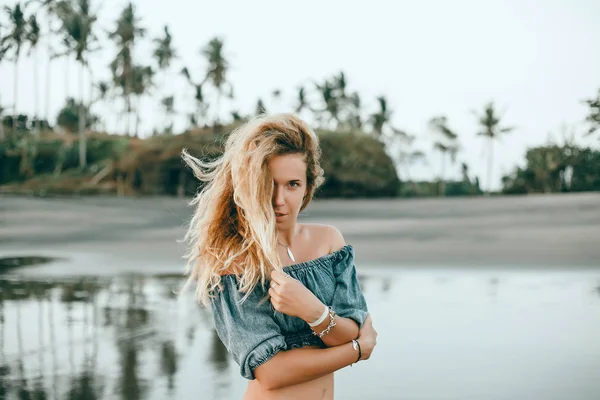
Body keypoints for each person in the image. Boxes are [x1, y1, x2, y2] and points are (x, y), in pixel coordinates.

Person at [181, 113, 378, 400]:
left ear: (308, 186)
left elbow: (351, 329)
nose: (278, 200)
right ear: (250, 186)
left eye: (292, 184)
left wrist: (312, 310)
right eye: (268, 184)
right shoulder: (236, 261)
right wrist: (358, 351)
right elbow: (271, 373)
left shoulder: (329, 242)